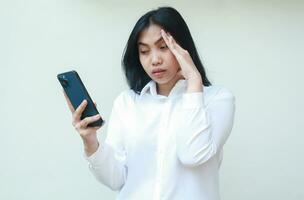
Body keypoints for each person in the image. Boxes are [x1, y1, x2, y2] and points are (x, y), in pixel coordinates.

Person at [64, 6, 235, 200]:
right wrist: (90, 141)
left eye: (163, 48)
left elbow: (192, 155)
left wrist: (194, 80)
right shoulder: (127, 103)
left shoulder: (217, 99)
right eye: (144, 51)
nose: (154, 60)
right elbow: (116, 179)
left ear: (182, 48)